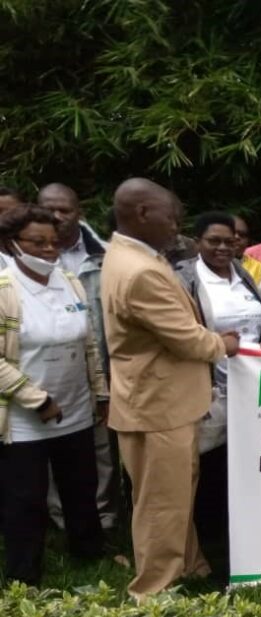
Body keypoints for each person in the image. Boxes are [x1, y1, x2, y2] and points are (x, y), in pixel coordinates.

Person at [101, 178, 240, 598]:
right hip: (156, 404)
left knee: (177, 495)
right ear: (143, 213)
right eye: (172, 217)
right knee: (162, 503)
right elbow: (186, 339)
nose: (177, 226)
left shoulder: (131, 255)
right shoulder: (140, 269)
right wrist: (224, 344)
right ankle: (153, 589)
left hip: (165, 403)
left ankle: (192, 567)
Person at [0, 205, 107, 585]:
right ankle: (23, 576)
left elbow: (90, 343)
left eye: (53, 242)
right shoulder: (5, 290)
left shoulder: (68, 280)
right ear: (13, 244)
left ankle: (89, 554)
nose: (48, 249)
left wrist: (100, 393)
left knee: (81, 487)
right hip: (24, 417)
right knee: (25, 498)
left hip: (76, 406)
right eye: (37, 242)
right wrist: (37, 400)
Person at [175, 211, 261, 579]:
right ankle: (203, 544)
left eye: (229, 241)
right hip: (209, 388)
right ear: (198, 242)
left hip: (250, 390)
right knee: (204, 465)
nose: (222, 247)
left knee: (237, 466)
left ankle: (232, 538)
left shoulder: (242, 274)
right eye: (213, 241)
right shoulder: (184, 277)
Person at [37, 182, 120, 531]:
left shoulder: (104, 254)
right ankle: (59, 519)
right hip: (40, 368)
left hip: (95, 364)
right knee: (49, 448)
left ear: (79, 212)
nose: (57, 217)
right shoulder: (20, 254)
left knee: (101, 450)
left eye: (65, 210)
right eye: (49, 209)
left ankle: (103, 517)